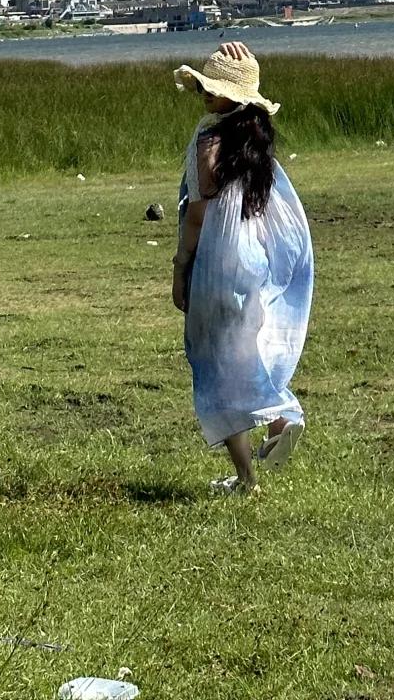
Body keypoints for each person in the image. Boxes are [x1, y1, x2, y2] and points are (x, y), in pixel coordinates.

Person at [172, 41, 313, 495]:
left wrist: (180, 266)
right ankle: (279, 419)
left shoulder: (209, 142)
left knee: (217, 366)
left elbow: (197, 215)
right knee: (246, 351)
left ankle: (247, 479)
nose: (203, 95)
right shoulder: (256, 146)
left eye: (210, 88)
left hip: (218, 266)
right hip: (254, 260)